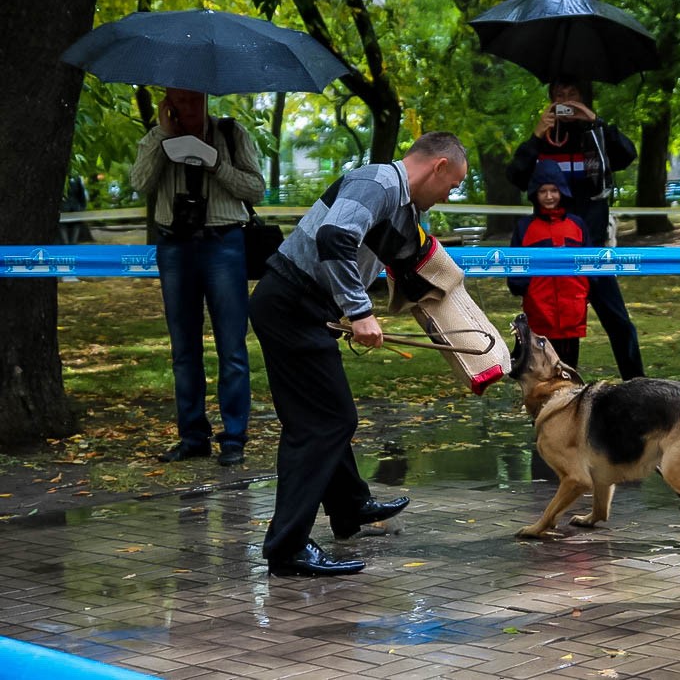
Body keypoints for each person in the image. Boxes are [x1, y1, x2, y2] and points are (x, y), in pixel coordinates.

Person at [248, 131, 468, 577]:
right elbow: (333, 237)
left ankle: (350, 507)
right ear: (438, 166)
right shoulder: (379, 184)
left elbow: (409, 257)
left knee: (322, 416)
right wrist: (359, 311)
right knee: (326, 422)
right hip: (290, 304)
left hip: (301, 307)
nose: (448, 195)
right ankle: (287, 547)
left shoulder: (400, 202)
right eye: (452, 184)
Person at [130, 88, 264, 467]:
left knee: (232, 348)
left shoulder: (232, 134)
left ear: (206, 98)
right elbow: (140, 184)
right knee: (184, 350)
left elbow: (255, 189)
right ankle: (192, 437)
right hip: (175, 246)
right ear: (168, 101)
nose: (187, 108)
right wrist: (164, 137)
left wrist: (215, 164)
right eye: (179, 101)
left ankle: (234, 438)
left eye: (193, 100)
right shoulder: (156, 137)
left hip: (223, 244)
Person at [506, 77, 644, 380]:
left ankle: (639, 387)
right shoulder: (542, 142)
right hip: (553, 258)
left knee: (620, 324)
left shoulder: (595, 137)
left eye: (572, 94)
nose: (565, 100)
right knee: (554, 335)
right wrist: (535, 136)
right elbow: (515, 176)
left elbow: (627, 154)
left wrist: (595, 121)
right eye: (559, 94)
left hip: (591, 252)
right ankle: (555, 395)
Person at [508, 160, 591, 368]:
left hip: (572, 308)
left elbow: (590, 263)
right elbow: (515, 265)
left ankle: (571, 400)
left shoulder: (577, 225)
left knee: (570, 368)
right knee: (541, 369)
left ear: (562, 191)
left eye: (554, 190)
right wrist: (521, 286)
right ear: (535, 193)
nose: (549, 196)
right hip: (539, 310)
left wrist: (587, 291)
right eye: (543, 191)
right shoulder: (525, 227)